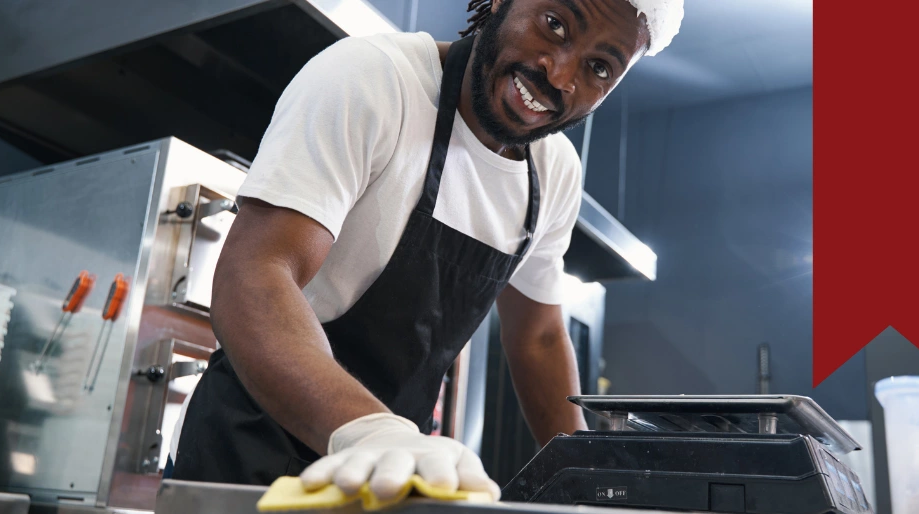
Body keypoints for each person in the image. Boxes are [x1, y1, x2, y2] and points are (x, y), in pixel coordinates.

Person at [168, 0, 684, 501]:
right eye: (554, 24)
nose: (560, 74)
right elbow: (257, 272)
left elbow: (540, 340)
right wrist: (370, 432)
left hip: (395, 474)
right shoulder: (374, 80)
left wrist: (587, 481)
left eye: (598, 67)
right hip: (251, 452)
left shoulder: (554, 174)